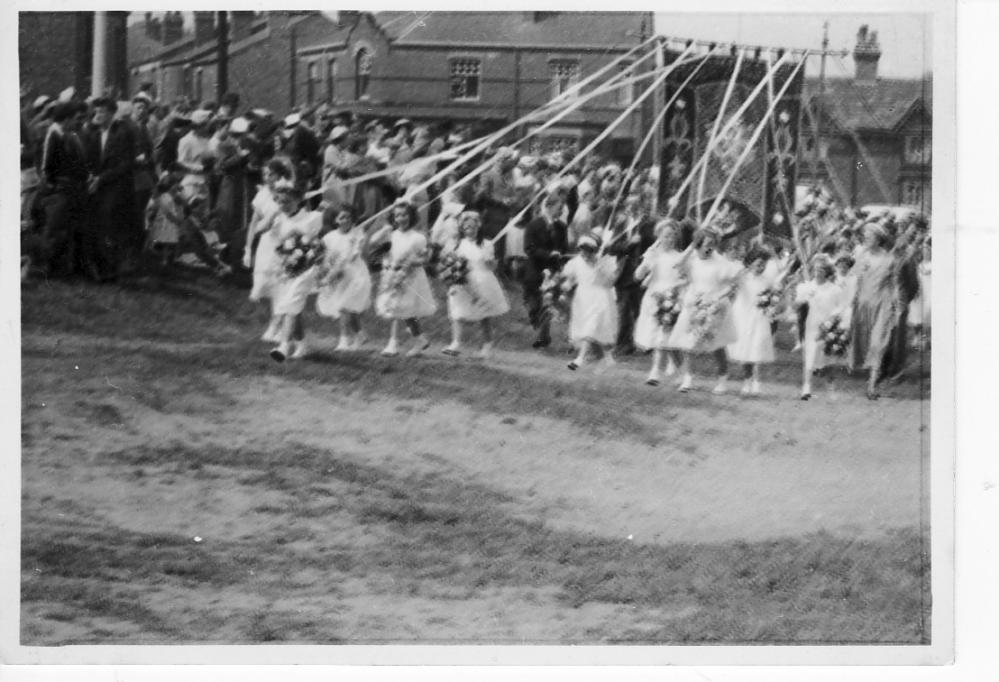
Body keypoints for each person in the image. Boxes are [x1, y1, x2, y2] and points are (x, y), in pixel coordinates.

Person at [667, 228, 744, 394]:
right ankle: (687, 378)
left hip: (714, 307)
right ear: (698, 244)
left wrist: (717, 299)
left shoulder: (720, 262)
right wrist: (691, 247)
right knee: (686, 343)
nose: (710, 247)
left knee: (717, 345)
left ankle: (722, 380)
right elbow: (677, 265)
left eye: (713, 244)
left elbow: (733, 282)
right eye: (707, 244)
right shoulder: (692, 259)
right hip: (693, 304)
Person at [849, 222, 920, 399]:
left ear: (878, 239)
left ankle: (872, 386)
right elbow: (854, 280)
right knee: (865, 343)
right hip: (864, 305)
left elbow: (895, 284)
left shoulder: (889, 259)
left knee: (877, 343)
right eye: (864, 235)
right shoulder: (862, 256)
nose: (865, 238)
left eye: (869, 236)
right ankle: (874, 375)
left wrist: (898, 305)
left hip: (883, 305)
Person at [80, 97, 137, 281]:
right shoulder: (94, 132)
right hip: (97, 186)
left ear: (112, 113)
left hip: (116, 187)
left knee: (111, 228)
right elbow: (88, 158)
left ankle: (113, 269)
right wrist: (91, 176)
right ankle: (102, 268)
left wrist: (101, 179)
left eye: (101, 112)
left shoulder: (122, 132)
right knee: (97, 227)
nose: (97, 115)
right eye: (95, 111)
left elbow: (125, 164)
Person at [441, 211, 510, 359]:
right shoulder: (457, 244)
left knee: (483, 315)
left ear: (478, 227)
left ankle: (487, 346)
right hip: (462, 282)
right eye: (466, 227)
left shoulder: (486, 244)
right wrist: (451, 271)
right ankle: (456, 343)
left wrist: (489, 261)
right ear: (462, 228)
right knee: (457, 312)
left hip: (482, 281)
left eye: (472, 226)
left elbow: (492, 267)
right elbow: (450, 261)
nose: (469, 229)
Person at [374, 201, 438, 357]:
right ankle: (407, 342)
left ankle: (408, 342)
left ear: (412, 216)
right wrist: (383, 230)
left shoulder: (417, 238)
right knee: (397, 309)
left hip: (411, 278)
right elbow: (374, 243)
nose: (401, 218)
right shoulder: (392, 235)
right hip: (393, 276)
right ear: (393, 218)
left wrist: (408, 263)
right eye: (397, 215)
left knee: (406, 311)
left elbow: (424, 260)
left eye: (404, 214)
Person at [268, 181, 323, 362]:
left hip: (307, 269)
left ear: (299, 200)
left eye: (288, 201)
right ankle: (302, 345)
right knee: (294, 307)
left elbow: (314, 242)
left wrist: (301, 250)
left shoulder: (312, 217)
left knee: (291, 303)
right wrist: (284, 257)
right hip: (289, 269)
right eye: (280, 202)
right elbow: (278, 246)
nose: (283, 205)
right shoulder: (279, 221)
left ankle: (284, 346)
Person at [35, 101, 88, 277]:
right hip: (60, 190)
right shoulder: (53, 135)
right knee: (55, 230)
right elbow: (46, 166)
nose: (76, 122)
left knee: (64, 231)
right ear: (66, 119)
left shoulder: (67, 134)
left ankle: (61, 268)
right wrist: (53, 187)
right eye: (74, 118)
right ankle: (50, 269)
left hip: (70, 189)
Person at [244, 158, 295, 342]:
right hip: (266, 243)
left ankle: (277, 326)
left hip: (285, 241)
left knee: (281, 285)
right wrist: (248, 248)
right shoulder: (262, 194)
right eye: (264, 174)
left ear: (279, 175)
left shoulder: (288, 190)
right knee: (264, 285)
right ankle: (274, 324)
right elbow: (254, 222)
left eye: (270, 174)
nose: (267, 178)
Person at [633, 219, 687, 386]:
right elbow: (638, 276)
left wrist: (676, 292)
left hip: (672, 298)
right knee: (660, 337)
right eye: (665, 236)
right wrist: (647, 261)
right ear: (659, 236)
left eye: (672, 236)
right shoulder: (653, 255)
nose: (669, 239)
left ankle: (660, 372)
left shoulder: (679, 257)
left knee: (666, 339)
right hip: (654, 297)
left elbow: (685, 279)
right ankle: (673, 372)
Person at [726, 244, 785, 397]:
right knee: (746, 350)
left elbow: (776, 293)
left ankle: (757, 381)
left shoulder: (767, 279)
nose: (761, 268)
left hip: (759, 317)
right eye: (758, 264)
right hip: (743, 316)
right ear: (751, 262)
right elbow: (730, 285)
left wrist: (775, 300)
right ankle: (747, 380)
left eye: (764, 265)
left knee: (757, 347)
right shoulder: (742, 277)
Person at [316, 204, 372, 351]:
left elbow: (356, 253)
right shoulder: (329, 237)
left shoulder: (358, 233)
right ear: (335, 220)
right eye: (342, 217)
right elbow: (326, 257)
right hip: (339, 275)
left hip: (356, 274)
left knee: (344, 307)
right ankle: (360, 334)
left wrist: (355, 248)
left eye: (348, 217)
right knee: (348, 309)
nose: (346, 220)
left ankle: (343, 340)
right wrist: (327, 270)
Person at [563, 233, 621, 371]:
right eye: (582, 250)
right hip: (583, 299)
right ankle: (607, 357)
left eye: (588, 251)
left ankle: (579, 359)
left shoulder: (605, 262)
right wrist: (566, 285)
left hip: (600, 297)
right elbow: (570, 278)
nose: (585, 254)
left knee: (592, 326)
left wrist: (601, 270)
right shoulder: (576, 262)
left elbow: (610, 282)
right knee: (592, 329)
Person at [795, 254, 850, 400]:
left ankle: (831, 389)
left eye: (821, 269)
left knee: (828, 358)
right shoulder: (807, 287)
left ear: (827, 271)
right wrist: (803, 300)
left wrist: (830, 322)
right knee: (810, 356)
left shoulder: (834, 289)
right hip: (812, 326)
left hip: (828, 327)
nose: (818, 272)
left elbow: (840, 307)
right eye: (816, 269)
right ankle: (806, 388)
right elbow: (797, 305)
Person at [522, 191, 569, 348]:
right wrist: (548, 254)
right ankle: (535, 318)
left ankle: (544, 337)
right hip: (535, 269)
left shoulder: (562, 227)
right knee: (534, 305)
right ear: (548, 206)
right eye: (559, 207)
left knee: (547, 303)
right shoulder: (534, 225)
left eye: (563, 207)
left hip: (552, 271)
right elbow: (529, 248)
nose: (561, 211)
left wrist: (560, 258)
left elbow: (564, 247)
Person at [176, 109, 213, 202]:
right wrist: (200, 168)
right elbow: (180, 163)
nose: (208, 127)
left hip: (204, 183)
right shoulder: (186, 141)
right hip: (191, 184)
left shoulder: (206, 140)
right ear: (199, 126)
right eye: (206, 124)